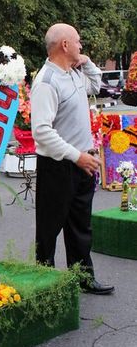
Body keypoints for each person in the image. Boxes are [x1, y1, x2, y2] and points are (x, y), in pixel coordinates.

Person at [30, 23, 114, 294]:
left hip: (82, 163)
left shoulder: (74, 73)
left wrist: (86, 62)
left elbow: (96, 83)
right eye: (78, 42)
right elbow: (41, 132)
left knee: (80, 226)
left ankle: (83, 278)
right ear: (64, 45)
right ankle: (43, 283)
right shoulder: (46, 81)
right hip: (58, 165)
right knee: (49, 228)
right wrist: (76, 156)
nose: (81, 46)